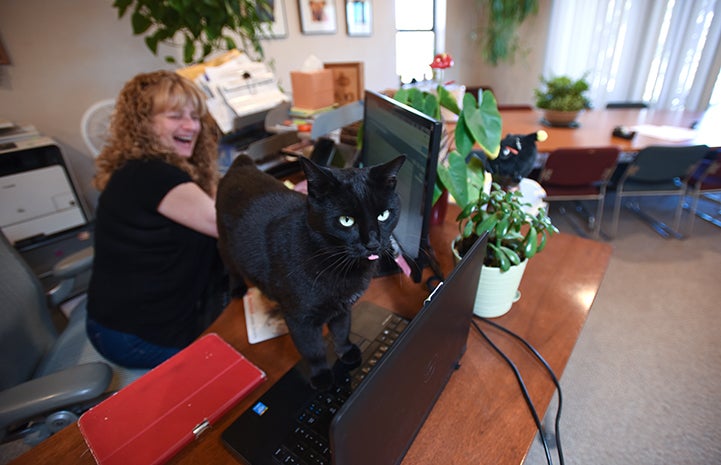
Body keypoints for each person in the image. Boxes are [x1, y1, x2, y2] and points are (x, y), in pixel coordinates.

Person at [86, 70, 229, 368]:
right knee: (237, 362)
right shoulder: (153, 175)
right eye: (176, 116)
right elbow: (230, 225)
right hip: (135, 337)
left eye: (195, 116)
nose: (191, 126)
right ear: (143, 125)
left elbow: (215, 202)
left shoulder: (147, 167)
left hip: (123, 317)